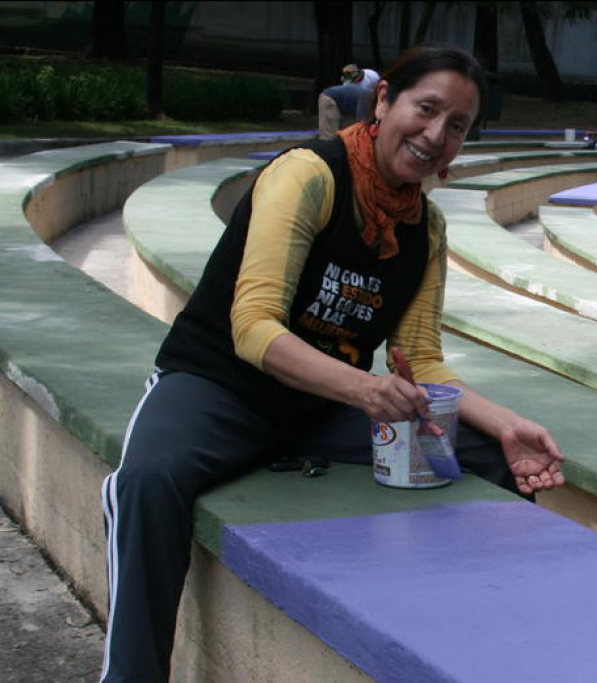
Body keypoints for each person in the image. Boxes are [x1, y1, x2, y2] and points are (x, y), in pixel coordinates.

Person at [99, 44, 565, 682]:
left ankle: (467, 654)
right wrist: (365, 391)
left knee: (487, 463)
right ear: (384, 101)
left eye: (456, 126)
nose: (435, 135)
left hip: (323, 411)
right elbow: (253, 328)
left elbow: (420, 360)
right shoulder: (309, 175)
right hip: (216, 389)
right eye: (425, 109)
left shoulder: (424, 232)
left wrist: (506, 424)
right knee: (147, 480)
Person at [316, 63, 381, 140]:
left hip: (352, 103)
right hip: (330, 99)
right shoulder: (349, 84)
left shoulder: (372, 76)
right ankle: (327, 149)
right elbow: (362, 121)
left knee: (349, 132)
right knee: (329, 135)